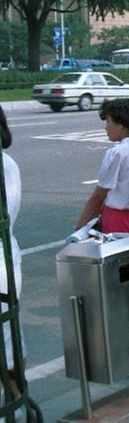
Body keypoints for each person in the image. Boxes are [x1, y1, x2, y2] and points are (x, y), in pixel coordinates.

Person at [75, 99, 129, 233]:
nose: (106, 127)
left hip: (115, 219)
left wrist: (81, 224)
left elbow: (99, 195)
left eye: (108, 121)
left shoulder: (117, 152)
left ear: (122, 125)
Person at [0, 106, 27, 411]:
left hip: (2, 262)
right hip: (7, 259)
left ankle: (13, 404)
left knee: (6, 342)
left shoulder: (4, 165)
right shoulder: (8, 163)